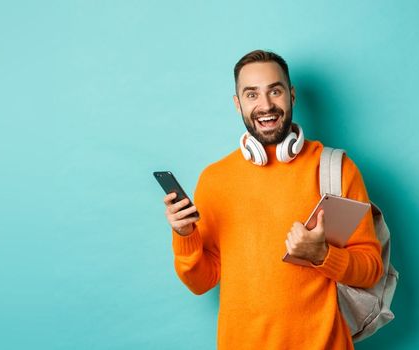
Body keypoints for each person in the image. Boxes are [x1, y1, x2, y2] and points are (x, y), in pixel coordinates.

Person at [162, 50, 383, 349]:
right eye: (251, 95)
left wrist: (322, 255)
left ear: (291, 95)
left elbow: (371, 269)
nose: (265, 106)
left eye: (275, 91)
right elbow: (201, 283)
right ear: (238, 104)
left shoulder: (336, 169)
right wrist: (184, 235)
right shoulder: (215, 179)